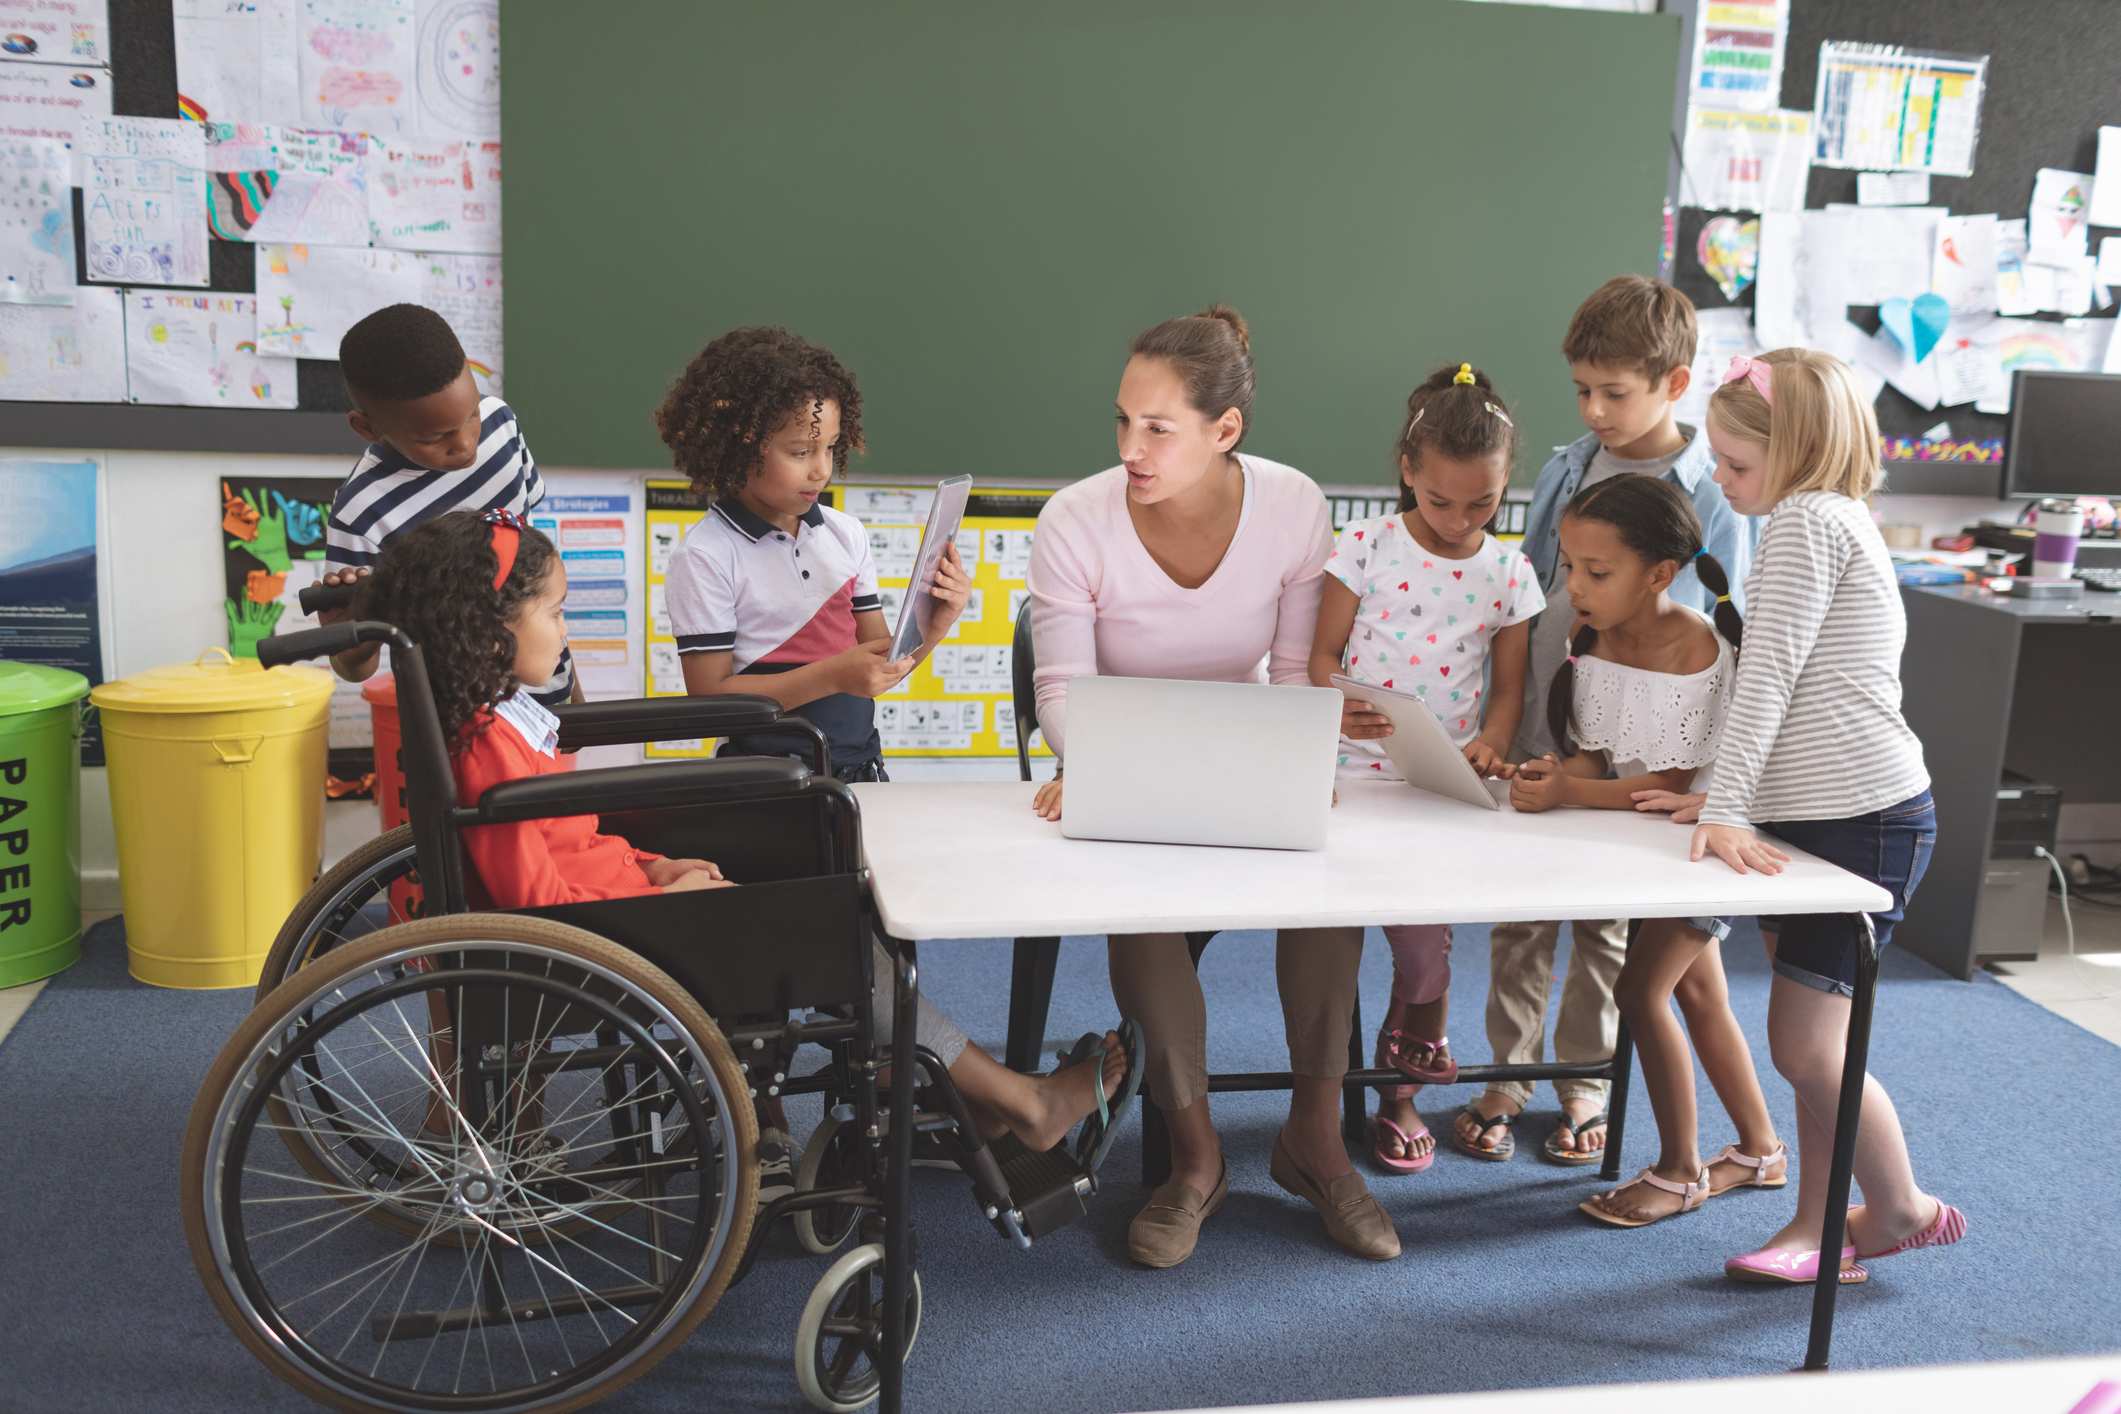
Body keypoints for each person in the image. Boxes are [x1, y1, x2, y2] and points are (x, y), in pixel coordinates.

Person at [358, 508, 1134, 1157]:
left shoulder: (496, 723)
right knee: (844, 935)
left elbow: (566, 847)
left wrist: (654, 866)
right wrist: (658, 889)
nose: (565, 632)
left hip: (620, 909)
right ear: (491, 633)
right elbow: (543, 896)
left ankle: (958, 1093)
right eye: (555, 613)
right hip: (598, 944)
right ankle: (1018, 1104)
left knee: (837, 912)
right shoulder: (493, 744)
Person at [1027, 305, 1397, 1264]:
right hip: (1127, 765)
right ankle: (1195, 1163)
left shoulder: (1291, 503)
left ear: (1224, 429)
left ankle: (1314, 1144)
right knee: (1144, 913)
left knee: (1328, 895)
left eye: (1158, 428)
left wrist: (1297, 756)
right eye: (1121, 422)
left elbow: (1291, 667)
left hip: (1244, 750)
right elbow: (1062, 688)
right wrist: (1101, 767)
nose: (1130, 449)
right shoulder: (1074, 517)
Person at [1458, 275, 1757, 1168]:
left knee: (1604, 928)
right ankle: (1505, 1077)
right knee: (1519, 918)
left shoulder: (1711, 490)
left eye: (1613, 392)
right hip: (1557, 715)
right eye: (1582, 389)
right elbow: (1535, 587)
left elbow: (1721, 618)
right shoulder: (1565, 465)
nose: (1593, 409)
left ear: (1673, 382)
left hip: (1647, 740)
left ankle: (1582, 1084)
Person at [1689, 350, 1966, 1285]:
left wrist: (1726, 807)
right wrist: (1721, 797)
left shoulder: (1808, 522)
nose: (1721, 483)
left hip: (1864, 819)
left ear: (1796, 447)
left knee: (1806, 1046)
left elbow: (1768, 679)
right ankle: (1815, 1226)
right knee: (1819, 1048)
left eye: (1733, 464)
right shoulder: (1821, 518)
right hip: (1818, 815)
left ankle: (1899, 1209)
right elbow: (1784, 690)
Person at [1509, 474, 1784, 1226]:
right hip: (1645, 848)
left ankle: (1678, 1170)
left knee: (1640, 993)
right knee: (1698, 993)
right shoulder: (1585, 634)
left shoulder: (1695, 645)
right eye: (1569, 567)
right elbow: (1599, 754)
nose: (1576, 586)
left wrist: (1568, 794)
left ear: (1660, 573)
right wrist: (1555, 775)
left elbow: (1664, 781)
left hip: (1704, 847)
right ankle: (1761, 1150)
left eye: (1596, 573)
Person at [1307, 363, 1542, 1174]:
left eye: (1482, 504)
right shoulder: (1365, 545)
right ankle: (1320, 1094)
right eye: (1439, 501)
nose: (1457, 520)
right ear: (1407, 470)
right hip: (1347, 775)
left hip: (1439, 785)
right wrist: (1337, 703)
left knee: (1425, 951)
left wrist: (1490, 743)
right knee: (1327, 944)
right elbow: (1320, 656)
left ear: (1507, 484)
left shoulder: (1509, 571)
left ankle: (1399, 1095)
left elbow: (1508, 690)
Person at [653, 327, 971, 782]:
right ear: (738, 444)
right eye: (801, 451)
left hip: (860, 774)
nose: (822, 469)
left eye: (831, 447)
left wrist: (936, 624)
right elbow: (711, 704)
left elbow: (878, 669)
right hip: (765, 787)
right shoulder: (705, 556)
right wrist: (834, 676)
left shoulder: (847, 536)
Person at [315, 304, 577, 705]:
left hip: (548, 698)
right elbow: (353, 669)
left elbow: (534, 584)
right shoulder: (361, 512)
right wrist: (355, 638)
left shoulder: (501, 425)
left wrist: (574, 695)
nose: (467, 444)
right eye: (435, 438)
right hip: (459, 723)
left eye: (472, 414)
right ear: (367, 427)